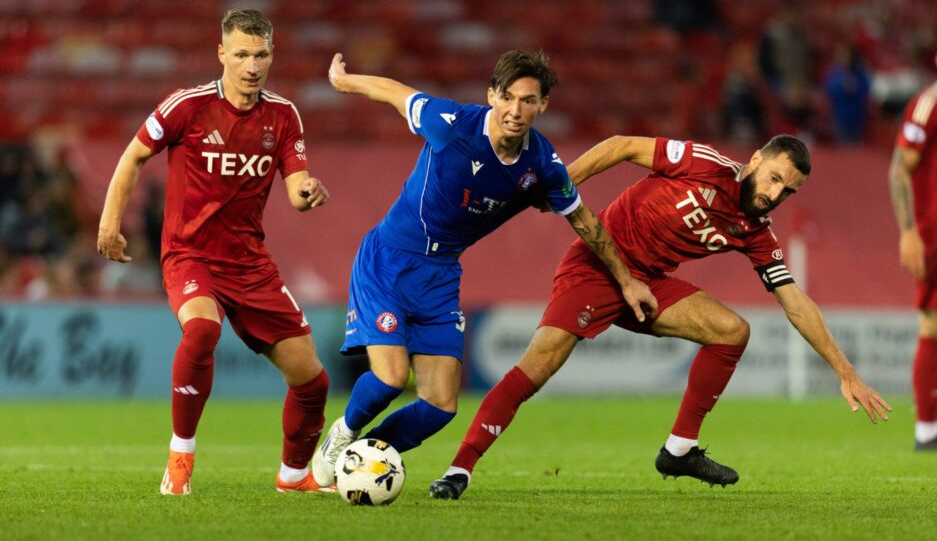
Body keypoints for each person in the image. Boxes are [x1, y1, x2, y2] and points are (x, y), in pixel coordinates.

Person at [429, 134, 893, 499]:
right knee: (538, 368)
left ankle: (680, 449)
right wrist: (561, 183)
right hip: (596, 266)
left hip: (647, 287)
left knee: (731, 331)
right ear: (755, 160)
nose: (775, 194)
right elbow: (623, 146)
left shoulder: (755, 231)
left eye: (787, 191)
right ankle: (459, 469)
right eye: (774, 178)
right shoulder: (703, 163)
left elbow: (794, 300)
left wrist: (844, 371)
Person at [311, 51, 658, 489]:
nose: (515, 110)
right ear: (491, 95)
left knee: (439, 407)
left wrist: (626, 281)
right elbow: (399, 94)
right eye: (508, 97)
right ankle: (341, 435)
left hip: (440, 276)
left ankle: (366, 457)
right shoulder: (451, 124)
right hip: (389, 260)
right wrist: (346, 83)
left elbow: (585, 220)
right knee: (391, 377)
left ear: (543, 105)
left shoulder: (543, 165)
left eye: (528, 101)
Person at [97, 9, 333, 495]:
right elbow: (133, 156)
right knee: (203, 329)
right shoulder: (187, 105)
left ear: (272, 55)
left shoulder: (284, 115)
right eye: (242, 54)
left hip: (249, 265)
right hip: (190, 255)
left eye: (261, 54)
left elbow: (296, 191)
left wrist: (309, 192)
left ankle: (293, 477)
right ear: (221, 53)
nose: (252, 64)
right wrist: (109, 221)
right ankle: (180, 457)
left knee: (312, 381)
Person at [888, 58, 937, 451]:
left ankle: (927, 430)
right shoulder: (929, 105)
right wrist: (908, 232)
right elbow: (899, 169)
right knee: (931, 327)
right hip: (933, 233)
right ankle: (926, 430)